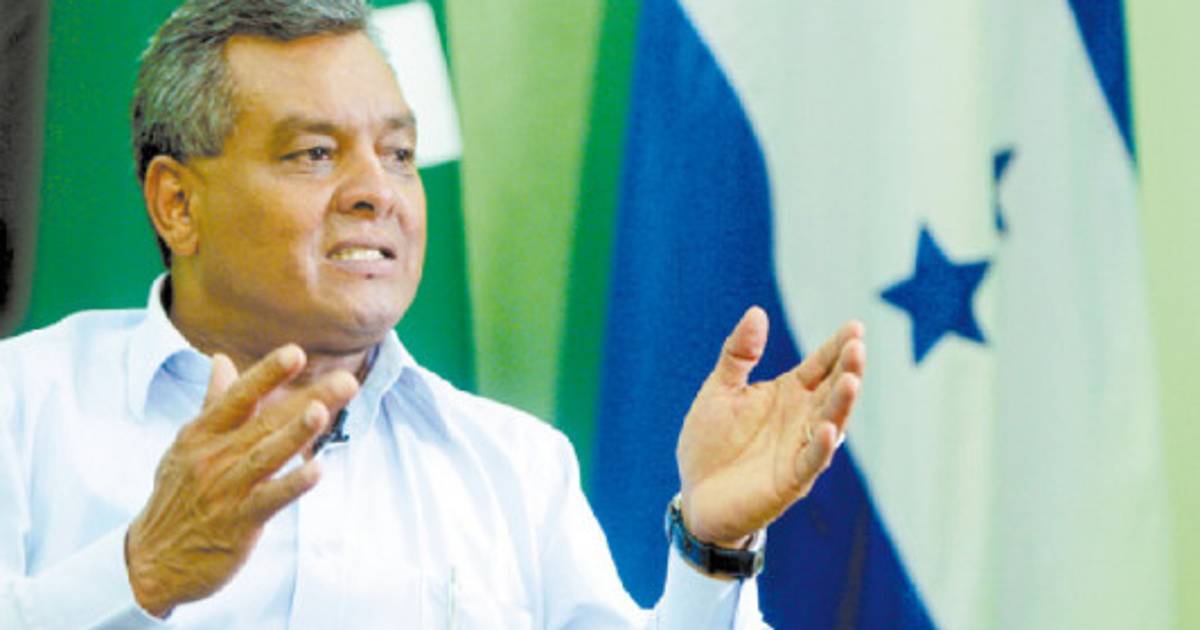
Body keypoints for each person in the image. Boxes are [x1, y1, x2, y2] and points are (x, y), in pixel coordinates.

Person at [0, 0, 866, 627]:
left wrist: (711, 551)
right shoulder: (22, 407)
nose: (377, 191)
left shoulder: (516, 465)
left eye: (399, 153)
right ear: (177, 204)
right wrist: (140, 573)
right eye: (314, 153)